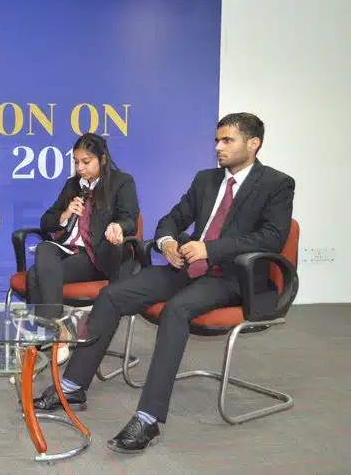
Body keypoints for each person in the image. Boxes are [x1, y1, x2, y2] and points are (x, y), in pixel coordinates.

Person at [33, 113, 295, 453]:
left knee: (176, 310)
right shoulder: (206, 179)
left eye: (227, 140)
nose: (218, 147)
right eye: (217, 140)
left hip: (234, 277)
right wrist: (167, 242)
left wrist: (211, 249)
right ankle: (71, 387)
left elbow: (272, 237)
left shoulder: (277, 183)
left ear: (253, 143)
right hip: (186, 267)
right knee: (112, 295)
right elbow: (172, 218)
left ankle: (149, 418)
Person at [27, 133, 140, 319]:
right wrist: (65, 215)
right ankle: (54, 328)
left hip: (96, 254)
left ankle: (50, 329)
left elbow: (130, 219)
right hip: (68, 249)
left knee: (34, 275)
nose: (80, 168)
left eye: (86, 162)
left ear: (102, 159)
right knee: (44, 248)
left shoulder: (121, 183)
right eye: (76, 162)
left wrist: (118, 226)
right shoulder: (72, 185)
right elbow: (45, 222)